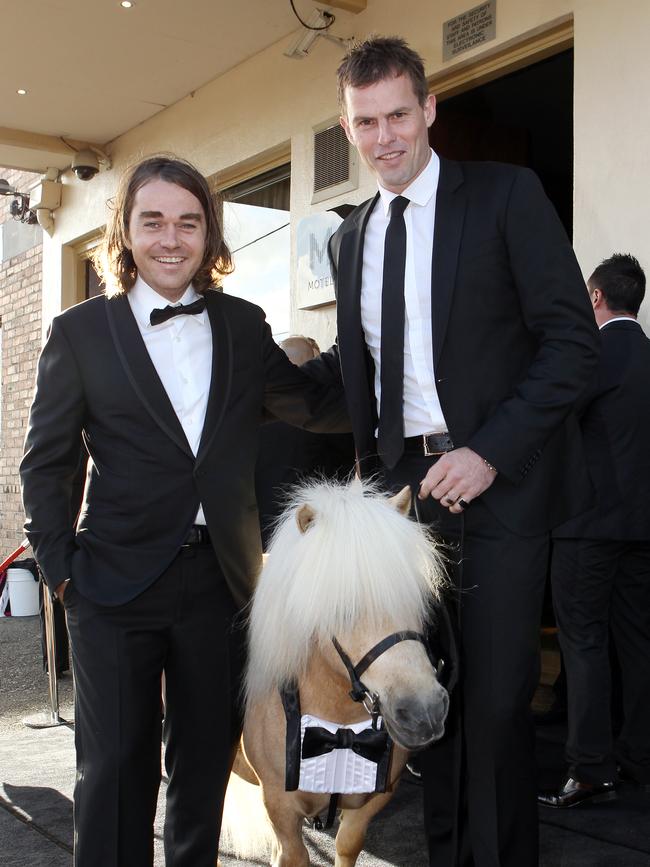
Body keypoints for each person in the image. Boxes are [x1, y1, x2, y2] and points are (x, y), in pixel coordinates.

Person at [304, 36, 600, 867]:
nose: (386, 135)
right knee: (423, 707)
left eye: (400, 113)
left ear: (430, 109)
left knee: (501, 708)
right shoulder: (349, 238)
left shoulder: (506, 196)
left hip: (498, 487)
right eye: (367, 122)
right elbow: (352, 378)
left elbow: (573, 343)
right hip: (405, 500)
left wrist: (490, 452)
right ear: (347, 126)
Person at [20, 155, 346, 867]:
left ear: (209, 234)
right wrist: (61, 571)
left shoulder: (241, 324)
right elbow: (47, 463)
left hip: (222, 586)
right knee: (112, 773)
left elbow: (311, 403)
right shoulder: (80, 332)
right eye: (154, 221)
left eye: (188, 222)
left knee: (203, 770)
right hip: (111, 584)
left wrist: (381, 332)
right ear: (126, 233)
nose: (172, 238)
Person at [539, 253, 650, 808]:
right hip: (642, 528)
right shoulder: (647, 356)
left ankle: (589, 770)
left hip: (586, 526)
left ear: (596, 298)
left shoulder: (592, 356)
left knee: (583, 643)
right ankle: (638, 756)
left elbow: (554, 425)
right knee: (637, 642)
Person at [255, 335, 355, 548]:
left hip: (259, 531)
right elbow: (345, 470)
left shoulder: (258, 409)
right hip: (314, 532)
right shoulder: (326, 412)